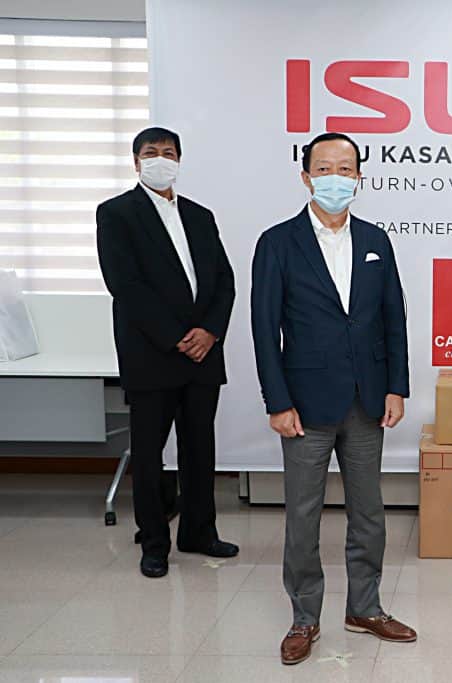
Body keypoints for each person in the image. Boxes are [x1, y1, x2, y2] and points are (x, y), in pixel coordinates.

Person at [251, 132, 415, 666]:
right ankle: (304, 616)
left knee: (369, 511)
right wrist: (277, 401)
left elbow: (393, 319)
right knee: (303, 514)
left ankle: (365, 607)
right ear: (306, 177)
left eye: (346, 169)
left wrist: (396, 386)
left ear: (359, 177)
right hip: (304, 403)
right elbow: (263, 329)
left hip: (367, 400)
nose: (336, 178)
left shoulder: (376, 240)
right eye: (325, 168)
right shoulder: (277, 242)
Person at [96, 126, 238, 579]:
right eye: (151, 152)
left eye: (169, 152)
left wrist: (209, 332)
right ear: (136, 162)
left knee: (199, 450)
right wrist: (177, 336)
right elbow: (126, 286)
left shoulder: (200, 215)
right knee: (149, 454)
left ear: (179, 160)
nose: (161, 159)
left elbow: (224, 281)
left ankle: (199, 532)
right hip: (152, 354)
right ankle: (154, 542)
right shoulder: (117, 214)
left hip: (203, 355)